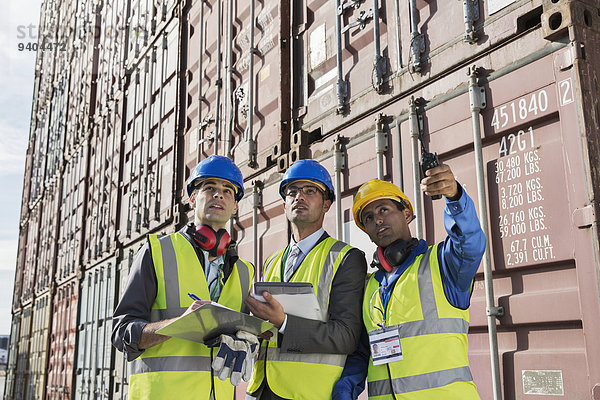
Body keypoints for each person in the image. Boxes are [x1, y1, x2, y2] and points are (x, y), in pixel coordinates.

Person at [333, 164, 485, 399]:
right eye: (369, 218)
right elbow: (362, 353)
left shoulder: (442, 264)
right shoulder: (370, 287)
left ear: (406, 214)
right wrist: (343, 391)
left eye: (384, 210)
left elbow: (470, 242)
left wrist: (454, 197)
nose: (378, 221)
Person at [112, 155, 256, 400]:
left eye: (227, 191)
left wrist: (249, 341)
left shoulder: (244, 271)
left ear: (235, 206)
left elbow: (239, 338)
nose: (218, 195)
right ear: (192, 199)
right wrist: (181, 324)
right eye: (209, 188)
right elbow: (122, 333)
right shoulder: (156, 252)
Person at [244, 159, 368, 400]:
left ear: (326, 204)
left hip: (306, 393)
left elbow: (346, 337)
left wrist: (284, 323)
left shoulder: (345, 258)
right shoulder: (272, 261)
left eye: (310, 191)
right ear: (284, 205)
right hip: (260, 388)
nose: (299, 196)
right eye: (292, 192)